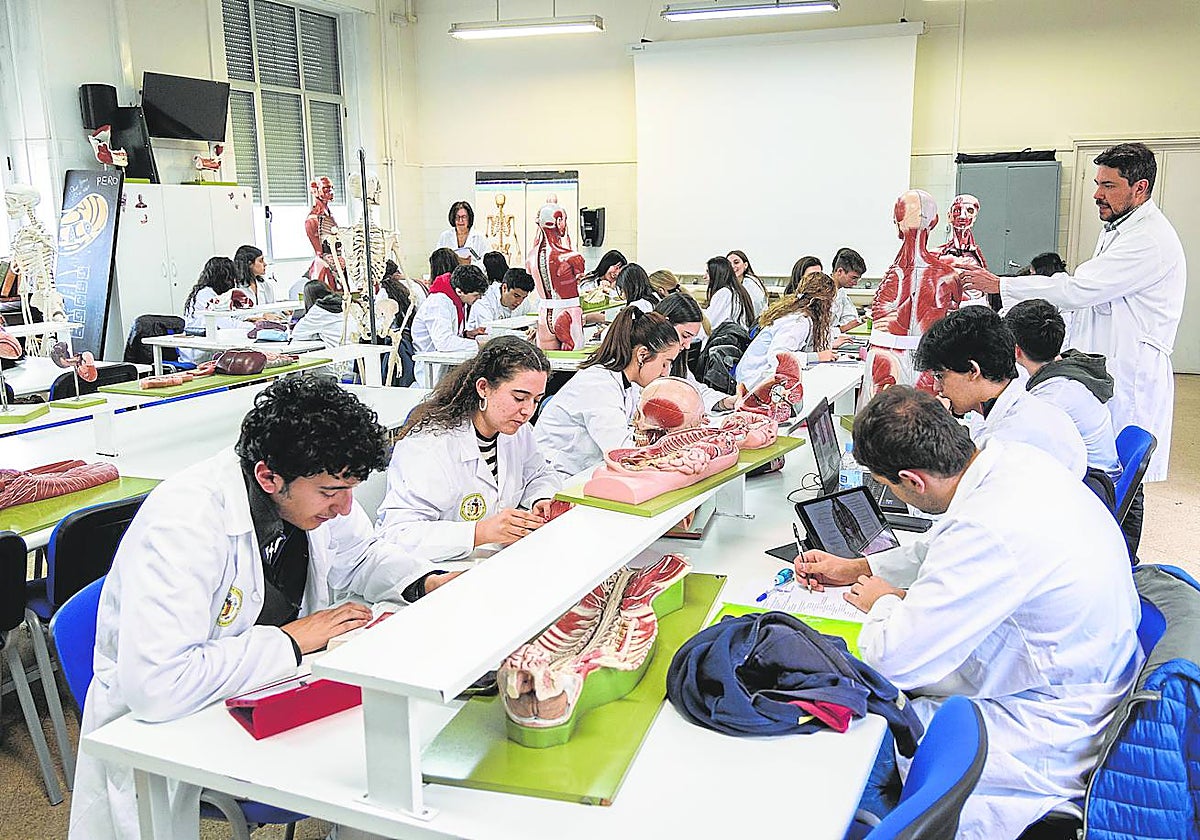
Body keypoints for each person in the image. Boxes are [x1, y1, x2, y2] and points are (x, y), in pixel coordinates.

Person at [69, 375, 454, 839]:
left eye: (351, 487)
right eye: (332, 492)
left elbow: (362, 555)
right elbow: (159, 684)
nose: (345, 506)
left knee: (392, 758)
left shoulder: (312, 491)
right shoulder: (185, 525)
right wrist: (291, 640)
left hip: (269, 683)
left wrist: (425, 581)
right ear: (268, 475)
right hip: (171, 720)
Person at [795, 386, 1141, 840]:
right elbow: (942, 545)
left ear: (912, 481)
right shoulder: (1011, 460)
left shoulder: (988, 528)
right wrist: (860, 567)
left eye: (890, 486)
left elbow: (893, 660)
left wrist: (882, 600)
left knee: (844, 745)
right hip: (1082, 672)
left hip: (1048, 730)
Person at [963, 143, 1186, 553]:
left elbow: (1082, 289)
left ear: (1140, 188)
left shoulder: (1148, 239)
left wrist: (1000, 284)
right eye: (1096, 183)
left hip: (1130, 371)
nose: (1097, 194)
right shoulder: (1122, 228)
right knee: (1105, 466)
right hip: (1106, 365)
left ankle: (1121, 560)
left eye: (1108, 185)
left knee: (1120, 480)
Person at [376, 337, 560, 563]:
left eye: (535, 400)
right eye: (519, 398)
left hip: (498, 560)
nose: (528, 411)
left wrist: (539, 499)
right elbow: (398, 534)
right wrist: (478, 533)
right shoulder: (429, 447)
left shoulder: (518, 432)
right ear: (483, 388)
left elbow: (540, 473)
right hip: (440, 571)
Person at [913, 306, 1087, 478]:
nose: (937, 388)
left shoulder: (1006, 443)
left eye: (939, 376)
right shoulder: (1024, 407)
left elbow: (952, 502)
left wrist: (934, 433)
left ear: (973, 371)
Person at [1004, 298, 1123, 511]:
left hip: (1093, 491)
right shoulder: (1067, 371)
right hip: (1099, 475)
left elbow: (1018, 450)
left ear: (1016, 350)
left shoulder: (1054, 396)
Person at [535, 307, 680, 480]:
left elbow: (636, 430)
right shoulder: (598, 385)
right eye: (665, 363)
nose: (666, 372)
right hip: (557, 478)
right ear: (642, 355)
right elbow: (622, 452)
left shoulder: (630, 384)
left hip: (586, 470)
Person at [736, 272, 838, 389]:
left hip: (755, 378)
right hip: (753, 382)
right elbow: (777, 357)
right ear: (823, 302)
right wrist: (817, 357)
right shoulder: (798, 322)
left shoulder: (800, 316)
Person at [654, 293, 736, 412]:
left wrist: (724, 402)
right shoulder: (644, 360)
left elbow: (692, 389)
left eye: (691, 338)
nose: (687, 346)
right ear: (665, 325)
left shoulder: (677, 360)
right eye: (685, 336)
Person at [410, 264, 490, 386]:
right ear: (460, 291)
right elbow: (444, 342)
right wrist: (478, 345)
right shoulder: (438, 302)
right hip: (430, 371)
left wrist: (466, 334)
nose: (478, 298)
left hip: (444, 366)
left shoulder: (456, 300)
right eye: (475, 295)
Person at [180, 256, 240, 363]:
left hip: (209, 346)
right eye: (230, 277)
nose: (232, 281)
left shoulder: (217, 294)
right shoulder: (206, 294)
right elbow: (225, 323)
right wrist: (253, 326)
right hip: (199, 353)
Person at [466, 266, 538, 331]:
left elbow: (533, 320)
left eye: (524, 297)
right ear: (504, 288)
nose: (519, 302)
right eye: (516, 296)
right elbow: (488, 332)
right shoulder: (484, 300)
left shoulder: (523, 301)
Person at [703, 255, 754, 333]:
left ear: (716, 274)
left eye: (708, 272)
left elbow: (708, 325)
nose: (704, 276)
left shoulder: (724, 293)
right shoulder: (736, 291)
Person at [292, 279, 346, 349]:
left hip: (341, 353)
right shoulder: (343, 301)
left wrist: (316, 334)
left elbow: (296, 334)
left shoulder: (317, 311)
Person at [436, 200, 488, 265]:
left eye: (464, 217)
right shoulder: (445, 236)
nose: (460, 220)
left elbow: (486, 261)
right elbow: (438, 259)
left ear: (469, 218)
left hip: (473, 273)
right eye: (457, 217)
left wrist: (470, 263)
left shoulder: (479, 237)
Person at [829, 247, 866, 331]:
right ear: (840, 271)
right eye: (853, 278)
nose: (855, 283)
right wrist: (841, 329)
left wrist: (861, 320)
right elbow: (817, 333)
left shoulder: (841, 292)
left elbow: (851, 319)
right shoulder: (821, 293)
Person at [727, 249, 768, 317]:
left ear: (745, 265)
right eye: (729, 264)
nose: (732, 266)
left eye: (736, 262)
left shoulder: (752, 284)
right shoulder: (729, 285)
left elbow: (756, 309)